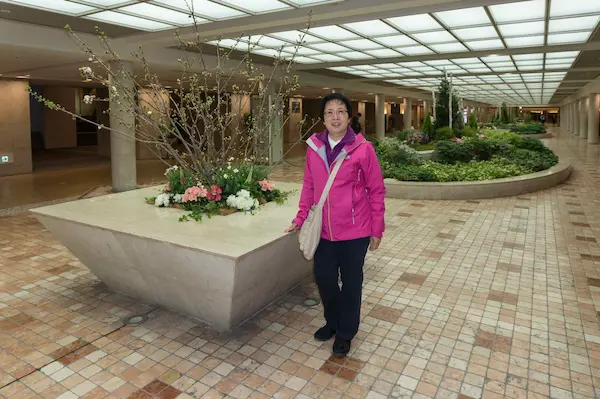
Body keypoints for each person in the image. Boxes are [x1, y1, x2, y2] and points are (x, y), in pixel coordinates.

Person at [284, 93, 386, 357]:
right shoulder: (314, 148)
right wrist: (300, 217)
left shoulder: (363, 149)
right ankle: (332, 321)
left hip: (355, 230)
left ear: (349, 117)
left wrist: (377, 229)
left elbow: (376, 190)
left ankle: (345, 331)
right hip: (325, 231)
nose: (335, 117)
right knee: (325, 279)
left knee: (351, 283)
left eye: (341, 111)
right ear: (323, 119)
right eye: (330, 112)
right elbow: (309, 186)